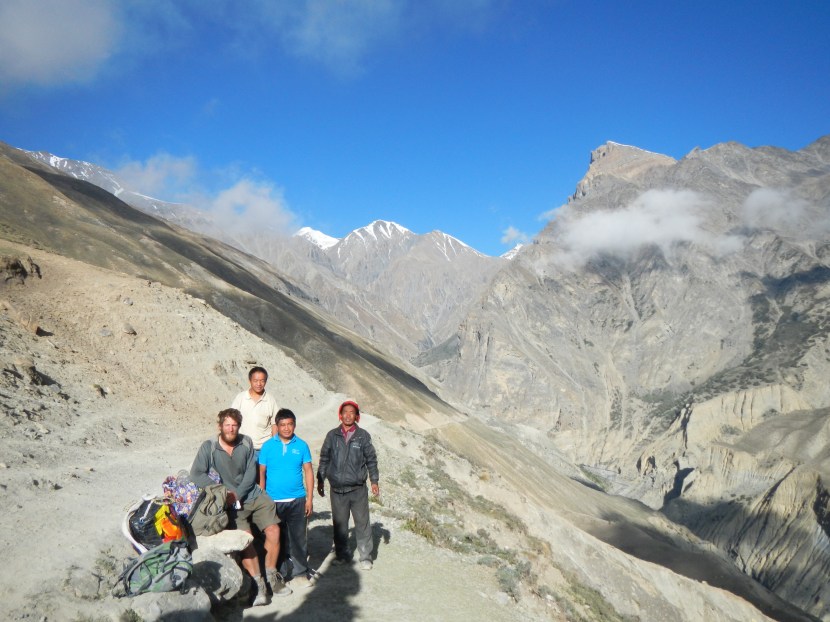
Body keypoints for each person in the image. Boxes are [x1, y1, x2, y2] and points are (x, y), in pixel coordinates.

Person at [190, 408, 292, 606]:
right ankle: (258, 585)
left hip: (252, 494)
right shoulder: (209, 447)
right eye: (227, 425)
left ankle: (271, 576)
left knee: (274, 530)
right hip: (230, 503)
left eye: (234, 425)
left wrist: (237, 494)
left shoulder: (246, 442)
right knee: (246, 539)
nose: (231, 429)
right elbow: (196, 474)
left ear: (239, 426)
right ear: (220, 426)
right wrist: (221, 491)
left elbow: (250, 473)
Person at [316, 400, 379, 570]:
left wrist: (374, 480)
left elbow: (371, 459)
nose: (348, 415)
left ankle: (365, 556)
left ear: (356, 416)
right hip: (337, 490)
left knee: (362, 522)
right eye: (345, 412)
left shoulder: (363, 436)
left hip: (358, 489)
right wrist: (320, 479)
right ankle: (342, 555)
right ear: (340, 415)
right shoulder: (332, 435)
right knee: (340, 524)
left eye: (352, 412)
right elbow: (324, 458)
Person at [259, 408, 316, 587]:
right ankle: (280, 573)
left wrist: (309, 498)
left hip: (297, 500)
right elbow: (261, 473)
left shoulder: (302, 446)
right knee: (277, 538)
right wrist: (262, 498)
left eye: (289, 424)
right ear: (277, 426)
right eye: (282, 424)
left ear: (294, 425)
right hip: (273, 501)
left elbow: (308, 471)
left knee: (298, 538)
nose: (286, 428)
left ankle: (300, 573)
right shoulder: (268, 446)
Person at [231, 366, 279, 461]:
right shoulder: (241, 398)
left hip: (264, 449)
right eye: (255, 381)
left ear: (266, 381)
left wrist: (274, 445)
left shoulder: (270, 400)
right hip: (243, 447)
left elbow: (274, 424)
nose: (259, 384)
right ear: (250, 381)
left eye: (262, 381)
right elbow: (231, 420)